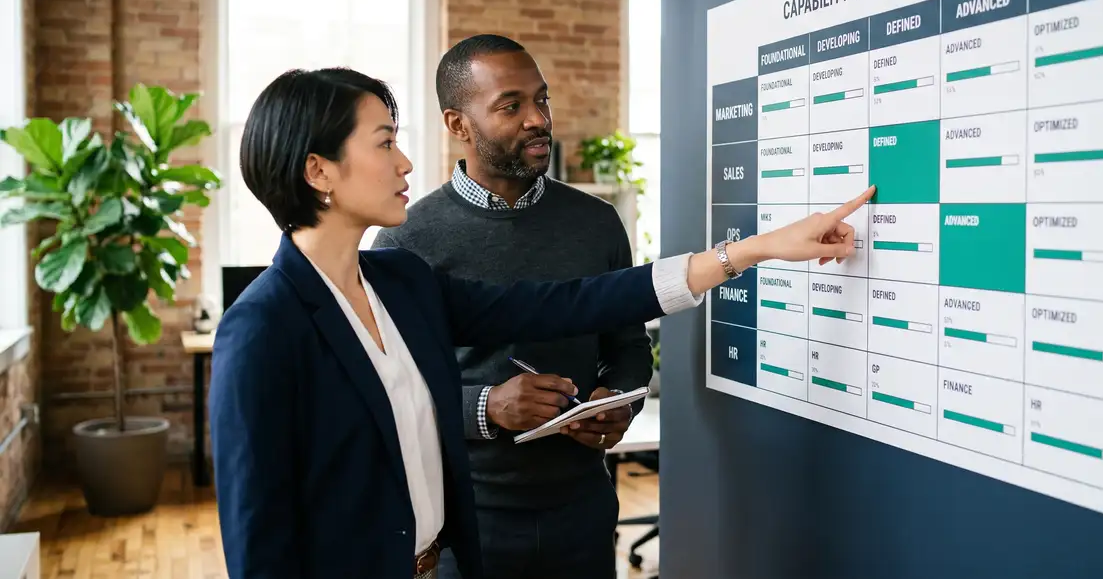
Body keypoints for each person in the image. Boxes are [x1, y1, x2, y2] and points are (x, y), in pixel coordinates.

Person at [207, 65, 874, 579]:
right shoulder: (262, 329)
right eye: (385, 142)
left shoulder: (401, 283)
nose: (405, 162)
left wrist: (751, 251)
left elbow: (569, 302)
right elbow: (260, 540)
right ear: (319, 170)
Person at [371, 34, 654, 579]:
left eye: (541, 100)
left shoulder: (596, 223)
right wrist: (487, 404)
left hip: (584, 508)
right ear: (458, 125)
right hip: (466, 518)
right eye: (511, 105)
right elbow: (392, 388)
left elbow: (628, 345)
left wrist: (617, 400)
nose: (537, 119)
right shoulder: (408, 241)